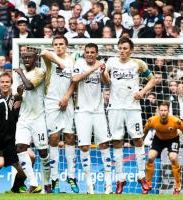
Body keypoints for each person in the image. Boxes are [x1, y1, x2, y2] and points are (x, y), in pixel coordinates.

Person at [101, 37, 157, 194]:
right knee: (117, 141)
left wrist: (142, 92)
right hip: (115, 108)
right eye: (120, 48)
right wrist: (103, 74)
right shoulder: (111, 62)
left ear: (131, 50)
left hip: (133, 108)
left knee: (138, 139)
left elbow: (152, 80)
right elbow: (105, 80)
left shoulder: (138, 63)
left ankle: (141, 176)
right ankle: (120, 178)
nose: (122, 50)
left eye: (125, 48)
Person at [70, 43, 112, 194]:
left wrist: (102, 72)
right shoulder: (79, 63)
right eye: (87, 52)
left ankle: (108, 186)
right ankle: (89, 186)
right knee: (84, 147)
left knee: (105, 145)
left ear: (96, 53)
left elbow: (107, 82)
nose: (89, 54)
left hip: (99, 111)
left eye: (92, 52)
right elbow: (75, 79)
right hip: (82, 111)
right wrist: (94, 69)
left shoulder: (101, 64)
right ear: (84, 53)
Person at [40, 35, 78, 193]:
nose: (58, 46)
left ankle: (71, 176)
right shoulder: (50, 57)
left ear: (66, 45)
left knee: (70, 136)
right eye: (55, 44)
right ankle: (54, 179)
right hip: (51, 101)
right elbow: (43, 52)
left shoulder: (74, 59)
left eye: (61, 44)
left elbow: (75, 81)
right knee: (54, 137)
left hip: (67, 101)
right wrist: (60, 63)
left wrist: (67, 98)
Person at [13, 48, 48, 193]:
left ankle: (48, 184)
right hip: (24, 118)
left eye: (29, 58)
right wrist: (19, 95)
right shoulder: (18, 77)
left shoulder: (40, 72)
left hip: (38, 117)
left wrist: (20, 72)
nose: (26, 60)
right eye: (24, 58)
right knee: (20, 148)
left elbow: (29, 86)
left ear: (35, 59)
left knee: (43, 153)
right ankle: (33, 183)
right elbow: (18, 97)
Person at [143, 101, 183, 195]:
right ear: (158, 111)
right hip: (158, 139)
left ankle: (177, 186)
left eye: (165, 110)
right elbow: (145, 130)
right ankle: (148, 185)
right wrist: (141, 143)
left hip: (173, 139)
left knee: (173, 157)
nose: (163, 112)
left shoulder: (175, 121)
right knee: (150, 157)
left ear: (168, 111)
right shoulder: (152, 120)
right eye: (161, 110)